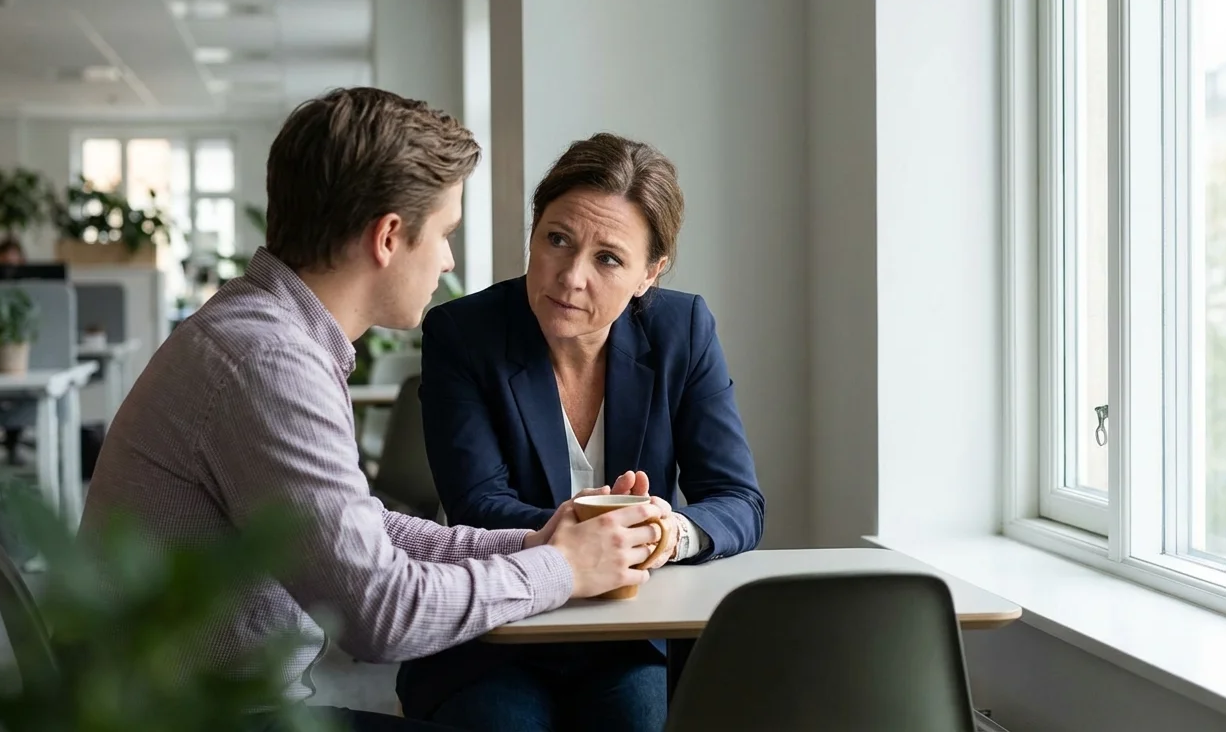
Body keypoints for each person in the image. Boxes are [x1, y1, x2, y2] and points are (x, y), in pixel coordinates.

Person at [78, 90, 669, 732]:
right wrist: (563, 568)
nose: (447, 259)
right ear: (388, 238)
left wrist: (532, 542)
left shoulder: (266, 332)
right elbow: (380, 614)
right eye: (444, 234)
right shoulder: (269, 360)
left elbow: (361, 530)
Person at [397, 133, 766, 731]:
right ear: (533, 234)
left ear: (649, 274)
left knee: (636, 718)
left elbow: (738, 500)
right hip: (497, 628)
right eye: (557, 240)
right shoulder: (464, 334)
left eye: (609, 258)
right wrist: (598, 534)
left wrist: (668, 533)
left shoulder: (683, 330)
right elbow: (478, 505)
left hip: (631, 631)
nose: (570, 277)